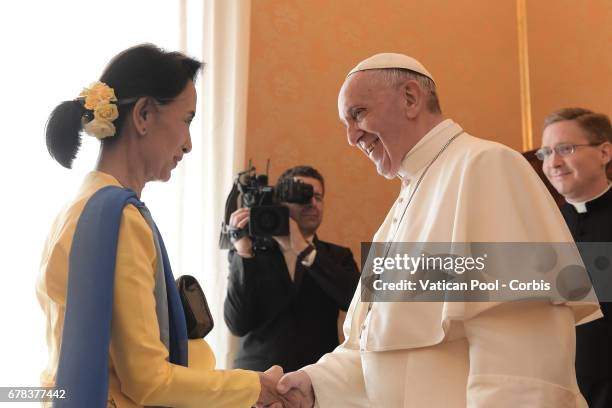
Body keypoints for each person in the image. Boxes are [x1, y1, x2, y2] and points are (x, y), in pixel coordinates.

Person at [276, 53, 601, 407]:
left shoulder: (486, 167)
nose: (352, 137)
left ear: (411, 98)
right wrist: (312, 384)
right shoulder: (404, 203)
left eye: (358, 114)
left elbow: (524, 358)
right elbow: (377, 348)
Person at [37, 44, 287, 408]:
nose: (187, 144)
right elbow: (148, 382)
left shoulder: (80, 206)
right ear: (143, 115)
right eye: (187, 120)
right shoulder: (119, 219)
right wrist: (254, 388)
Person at [224, 166, 360, 372]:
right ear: (280, 201)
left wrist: (304, 250)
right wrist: (243, 252)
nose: (312, 203)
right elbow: (237, 324)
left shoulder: (338, 256)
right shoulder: (250, 253)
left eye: (318, 197)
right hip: (256, 380)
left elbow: (359, 305)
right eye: (302, 195)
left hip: (319, 379)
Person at [538, 108, 612, 408]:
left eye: (565, 149)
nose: (553, 163)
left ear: (604, 152)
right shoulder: (540, 222)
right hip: (558, 383)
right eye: (546, 153)